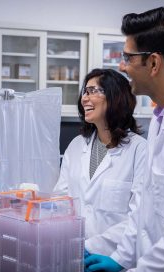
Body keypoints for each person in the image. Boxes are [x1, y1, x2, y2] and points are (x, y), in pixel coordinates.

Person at [84, 7, 164, 272]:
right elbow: (144, 208)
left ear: (154, 63)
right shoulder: (159, 120)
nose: (122, 66)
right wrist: (122, 258)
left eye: (128, 57)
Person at [54, 68, 146, 259]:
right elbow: (61, 200)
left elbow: (140, 215)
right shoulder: (77, 146)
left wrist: (94, 247)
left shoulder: (139, 150)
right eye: (84, 92)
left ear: (114, 96)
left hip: (117, 258)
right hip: (73, 255)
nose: (84, 98)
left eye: (92, 91)